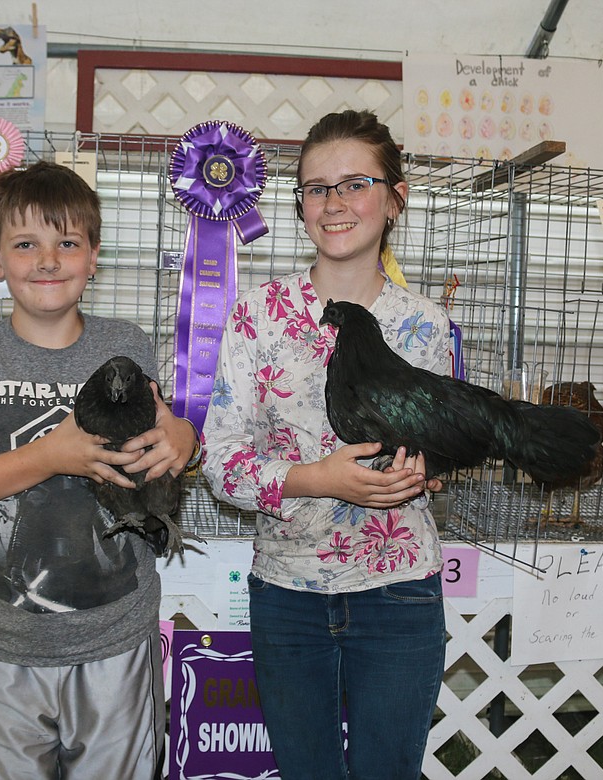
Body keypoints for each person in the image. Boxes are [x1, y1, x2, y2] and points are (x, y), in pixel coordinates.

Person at [0, 160, 197, 779]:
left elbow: (166, 437)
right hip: (4, 640)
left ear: (94, 257)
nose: (48, 259)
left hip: (115, 635)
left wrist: (185, 437)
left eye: (68, 243)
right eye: (26, 243)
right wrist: (46, 457)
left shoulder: (128, 344)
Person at [201, 110, 451, 779]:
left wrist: (431, 468)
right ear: (300, 205)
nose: (334, 202)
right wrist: (319, 478)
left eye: (355, 183)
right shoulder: (257, 314)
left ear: (396, 199)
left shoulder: (427, 325)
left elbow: (440, 446)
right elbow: (220, 461)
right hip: (287, 591)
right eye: (317, 188)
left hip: (399, 590)